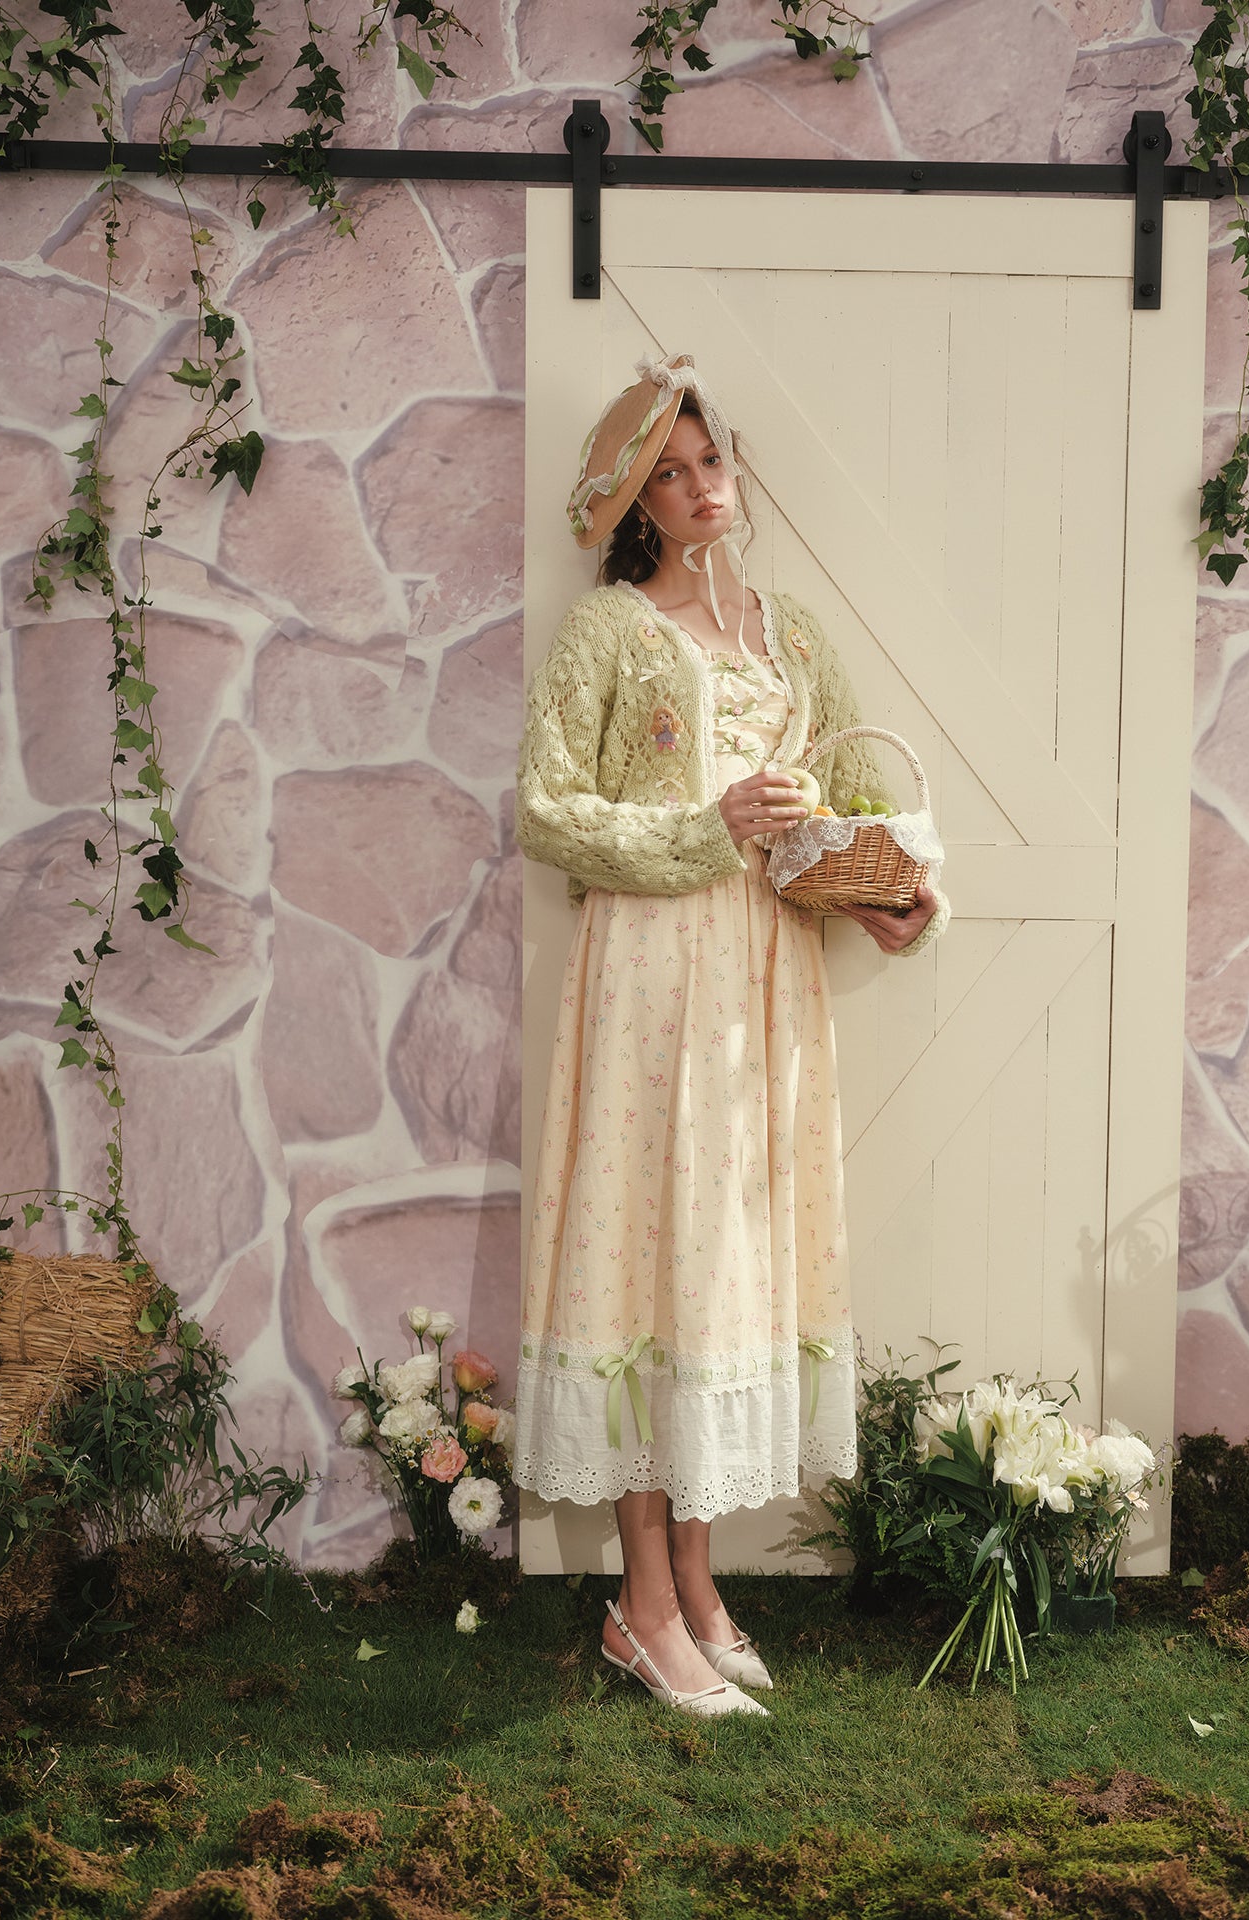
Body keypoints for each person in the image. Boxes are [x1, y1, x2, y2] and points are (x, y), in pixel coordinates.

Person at [512, 354, 948, 1717]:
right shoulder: (609, 630)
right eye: (670, 473)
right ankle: (641, 1605)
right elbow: (544, 812)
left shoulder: (791, 635)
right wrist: (709, 828)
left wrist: (886, 896)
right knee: (644, 1264)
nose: (702, 486)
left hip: (766, 983)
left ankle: (696, 1589)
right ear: (635, 503)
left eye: (712, 459)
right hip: (649, 978)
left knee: (720, 1273)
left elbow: (856, 794)